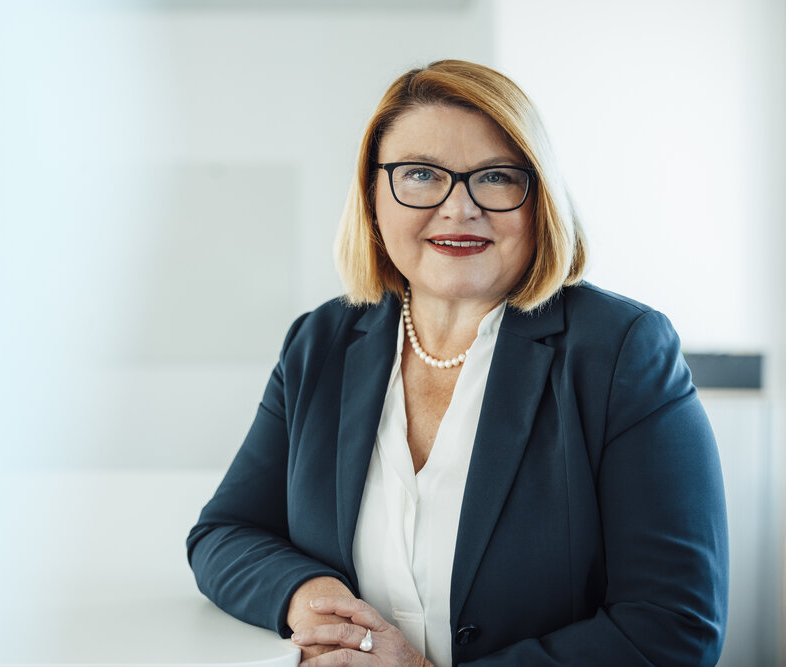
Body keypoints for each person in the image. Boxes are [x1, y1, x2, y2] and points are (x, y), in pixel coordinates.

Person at [186, 59, 728, 666]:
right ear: (372, 196)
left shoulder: (623, 350)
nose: (459, 207)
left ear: (538, 198)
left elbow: (674, 628)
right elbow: (225, 533)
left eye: (495, 177)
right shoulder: (321, 341)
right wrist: (307, 595)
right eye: (420, 174)